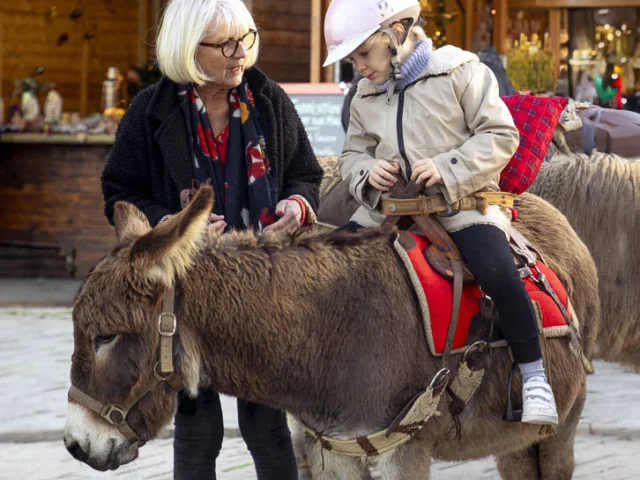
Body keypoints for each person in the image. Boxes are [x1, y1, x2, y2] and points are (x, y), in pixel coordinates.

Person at [101, 0, 323, 478]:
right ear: (188, 48)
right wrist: (174, 224)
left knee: (266, 425)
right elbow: (119, 190)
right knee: (197, 429)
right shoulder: (150, 111)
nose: (238, 52)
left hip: (263, 289)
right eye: (224, 43)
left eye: (244, 39)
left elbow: (307, 174)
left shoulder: (268, 100)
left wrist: (296, 205)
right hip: (188, 295)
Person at [324, 0, 558, 425]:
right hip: (387, 211)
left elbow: (501, 135)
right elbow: (353, 153)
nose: (357, 67)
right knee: (322, 261)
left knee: (498, 271)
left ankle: (535, 374)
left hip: (460, 207)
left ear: (397, 32)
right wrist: (366, 171)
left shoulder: (462, 72)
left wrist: (448, 167)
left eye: (362, 53)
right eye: (352, 58)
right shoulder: (364, 94)